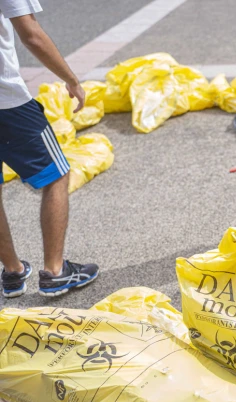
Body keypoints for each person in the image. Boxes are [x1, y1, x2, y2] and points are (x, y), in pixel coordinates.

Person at [0, 0, 99, 298]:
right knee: (57, 175)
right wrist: (71, 80)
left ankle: (13, 271)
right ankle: (55, 272)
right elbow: (31, 33)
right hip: (7, 102)